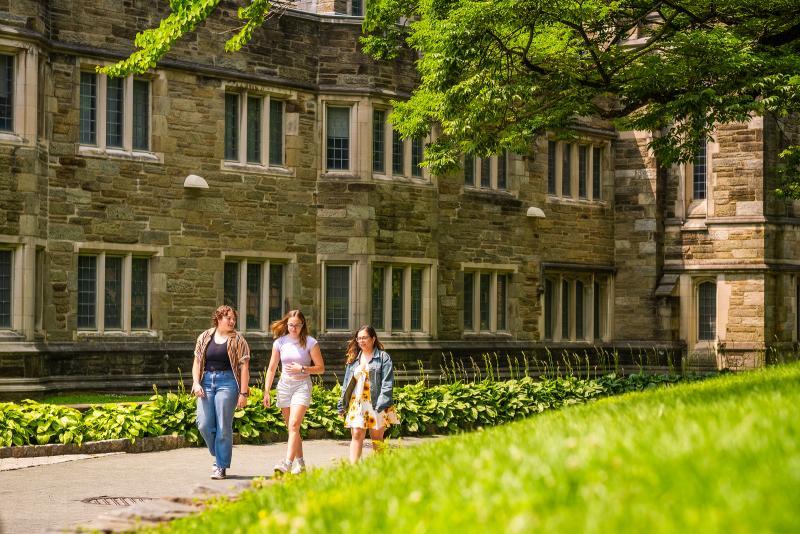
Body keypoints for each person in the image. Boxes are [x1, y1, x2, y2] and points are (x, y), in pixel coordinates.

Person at [191, 305, 251, 480]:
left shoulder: (238, 340)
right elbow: (196, 362)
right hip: (206, 382)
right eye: (228, 318)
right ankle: (219, 454)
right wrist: (196, 383)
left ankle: (221, 466)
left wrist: (243, 393)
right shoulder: (204, 337)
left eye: (234, 319)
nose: (232, 322)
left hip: (228, 383)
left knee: (224, 425)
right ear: (218, 318)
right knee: (203, 424)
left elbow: (244, 367)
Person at [263, 309, 325, 475]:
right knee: (292, 429)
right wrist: (267, 391)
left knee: (293, 424)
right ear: (287, 324)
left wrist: (303, 368)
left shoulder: (311, 343)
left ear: (302, 325)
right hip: (284, 386)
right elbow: (271, 368)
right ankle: (301, 464)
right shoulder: (280, 343)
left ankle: (287, 464)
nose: (293, 328)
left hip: (302, 386)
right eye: (291, 325)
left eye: (297, 325)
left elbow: (321, 368)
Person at [338, 325, 399, 463]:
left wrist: (382, 405)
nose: (361, 341)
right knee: (357, 434)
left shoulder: (383, 357)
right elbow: (346, 383)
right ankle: (354, 470)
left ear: (373, 338)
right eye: (359, 338)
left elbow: (387, 383)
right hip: (357, 402)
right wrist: (342, 405)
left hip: (376, 402)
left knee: (377, 438)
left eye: (364, 337)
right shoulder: (353, 358)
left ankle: (380, 469)